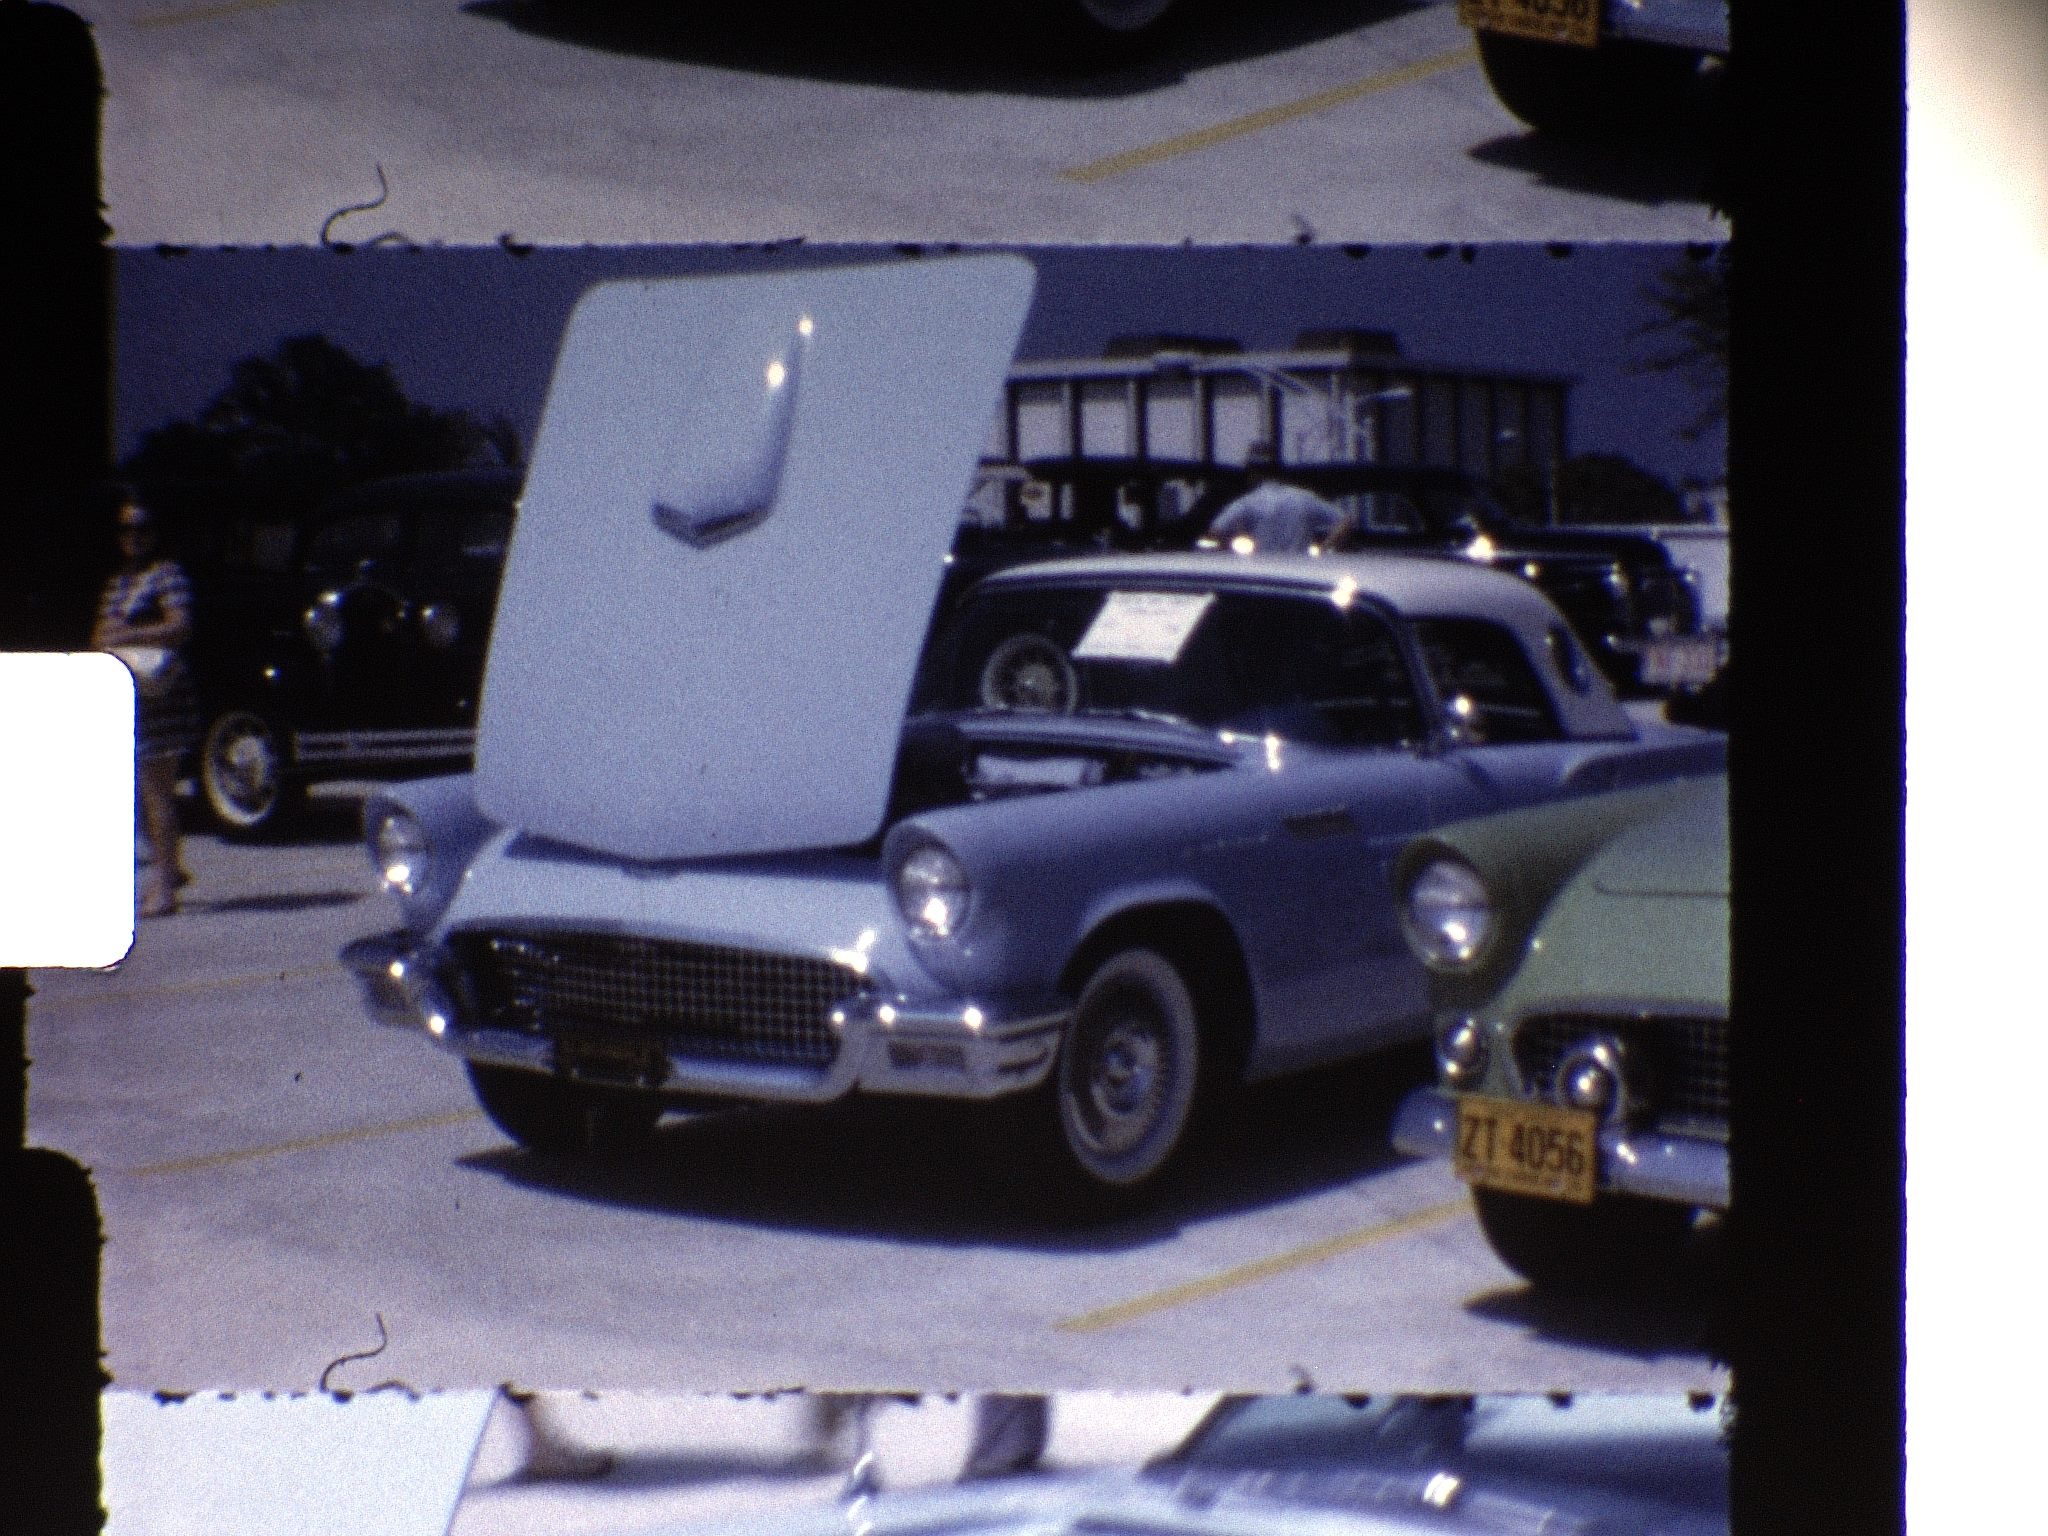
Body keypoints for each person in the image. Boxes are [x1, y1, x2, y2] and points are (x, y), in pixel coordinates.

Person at [92, 495, 198, 917]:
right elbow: (101, 635)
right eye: (126, 530)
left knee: (156, 791)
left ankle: (165, 887)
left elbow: (180, 625)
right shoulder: (117, 583)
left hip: (161, 696)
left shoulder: (166, 575)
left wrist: (131, 633)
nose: (133, 537)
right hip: (129, 691)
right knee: (136, 793)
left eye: (142, 528)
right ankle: (168, 868)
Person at [1205, 442, 1350, 554]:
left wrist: (1233, 547)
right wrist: (1323, 550)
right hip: (1302, 571)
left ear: (1252, 472)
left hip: (1263, 573)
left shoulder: (1247, 503)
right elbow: (1345, 522)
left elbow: (1215, 532)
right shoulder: (1304, 498)